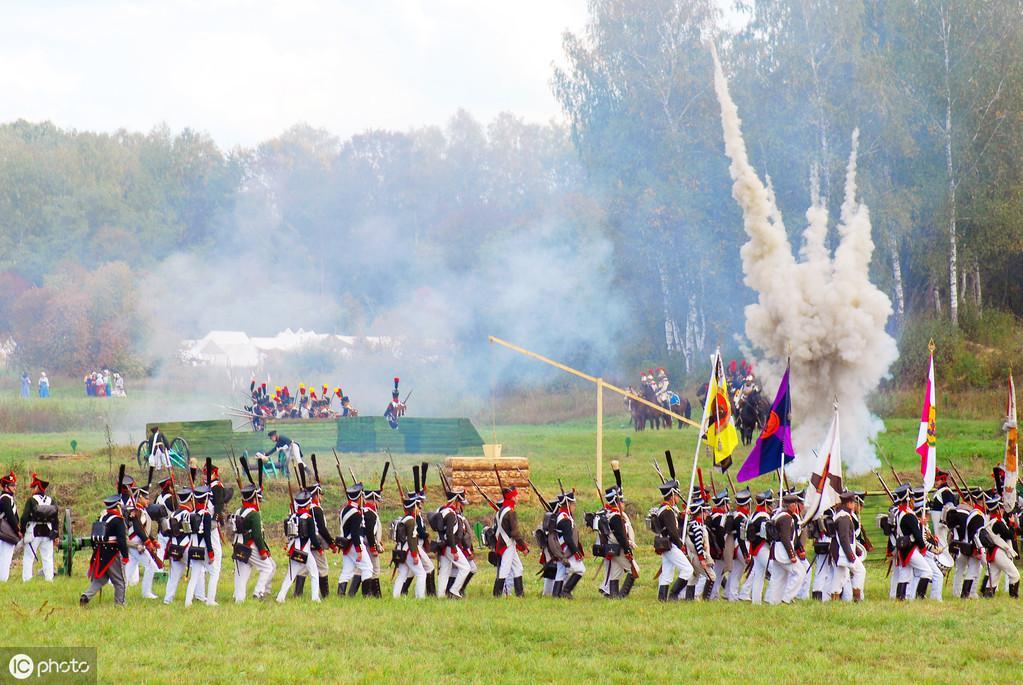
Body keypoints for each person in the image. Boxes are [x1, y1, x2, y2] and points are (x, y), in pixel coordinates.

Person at [80, 494, 130, 606]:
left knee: (100, 579)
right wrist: (125, 555)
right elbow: (121, 540)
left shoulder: (102, 517)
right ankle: (120, 604)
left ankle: (86, 596)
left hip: (100, 552)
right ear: (117, 506)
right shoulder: (118, 520)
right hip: (113, 553)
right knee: (120, 581)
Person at [231, 482, 275, 602]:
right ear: (254, 498)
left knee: (241, 576)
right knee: (268, 567)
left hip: (238, 546)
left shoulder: (238, 511)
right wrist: (262, 551)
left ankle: (239, 600)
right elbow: (257, 535)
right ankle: (258, 592)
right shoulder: (254, 514)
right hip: (249, 546)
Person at [276, 489, 321, 603]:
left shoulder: (292, 517)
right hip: (305, 550)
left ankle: (280, 597)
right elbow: (312, 537)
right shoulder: (308, 518)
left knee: (290, 575)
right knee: (314, 573)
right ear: (308, 504)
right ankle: (315, 598)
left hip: (293, 549)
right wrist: (319, 548)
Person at [652, 479, 692, 601]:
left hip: (667, 544)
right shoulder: (667, 511)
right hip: (671, 544)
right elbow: (673, 531)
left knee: (667, 574)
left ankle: (662, 599)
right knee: (688, 570)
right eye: (676, 495)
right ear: (672, 496)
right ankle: (674, 595)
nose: (678, 497)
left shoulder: (667, 510)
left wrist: (682, 516)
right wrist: (680, 545)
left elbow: (674, 524)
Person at [978, 492, 1020, 597]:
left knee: (993, 579)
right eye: (1001, 508)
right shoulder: (997, 522)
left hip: (994, 552)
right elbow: (1009, 535)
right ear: (997, 509)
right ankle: (1013, 597)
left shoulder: (992, 521)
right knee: (1015, 575)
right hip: (999, 552)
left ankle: (987, 598)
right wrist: (1011, 523)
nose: (1002, 510)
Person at [599, 484, 636, 599]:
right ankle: (622, 595)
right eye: (621, 501)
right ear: (616, 501)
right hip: (618, 548)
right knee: (634, 571)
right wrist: (627, 550)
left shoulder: (610, 514)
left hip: (613, 548)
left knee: (615, 573)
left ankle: (613, 595)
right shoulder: (615, 516)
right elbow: (621, 536)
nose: (623, 504)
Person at [20, 473, 58, 582]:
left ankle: (27, 580)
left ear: (37, 487)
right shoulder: (51, 500)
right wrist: (56, 534)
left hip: (33, 532)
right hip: (48, 533)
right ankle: (49, 579)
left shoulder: (31, 500)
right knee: (47, 558)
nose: (32, 489)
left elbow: (24, 518)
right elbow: (55, 518)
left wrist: (22, 531)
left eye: (33, 487)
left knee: (28, 557)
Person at [765, 493, 803, 605]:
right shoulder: (786, 518)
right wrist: (792, 555)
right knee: (800, 572)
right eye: (794, 504)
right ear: (790, 505)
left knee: (778, 578)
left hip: (778, 550)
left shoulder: (780, 515)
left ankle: (773, 602)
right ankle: (787, 598)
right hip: (783, 551)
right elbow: (786, 538)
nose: (796, 506)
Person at [124, 484, 160, 599]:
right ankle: (146, 592)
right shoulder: (136, 511)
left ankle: (120, 590)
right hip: (135, 543)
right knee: (151, 566)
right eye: (146, 498)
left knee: (129, 569)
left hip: (137, 542)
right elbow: (138, 529)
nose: (148, 500)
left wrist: (153, 540)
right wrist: (148, 542)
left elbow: (144, 530)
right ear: (139, 498)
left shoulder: (140, 511)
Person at [184, 486, 218, 607]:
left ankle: (188, 601)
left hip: (193, 547)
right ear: (206, 499)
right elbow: (207, 536)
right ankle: (210, 600)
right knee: (214, 573)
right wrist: (211, 553)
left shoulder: (191, 514)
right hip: (203, 548)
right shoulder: (206, 515)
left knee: (194, 576)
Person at [436, 487, 471, 599]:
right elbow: (450, 533)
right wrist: (454, 550)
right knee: (466, 568)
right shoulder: (451, 514)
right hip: (450, 545)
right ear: (456, 501)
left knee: (444, 571)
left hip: (444, 545)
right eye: (460, 502)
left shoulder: (443, 510)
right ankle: (454, 590)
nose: (461, 505)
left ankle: (441, 595)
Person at [830, 491, 865, 601]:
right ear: (849, 504)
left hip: (840, 551)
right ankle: (857, 599)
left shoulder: (843, 515)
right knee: (860, 571)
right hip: (843, 551)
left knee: (839, 577)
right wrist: (851, 555)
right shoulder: (844, 518)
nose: (855, 505)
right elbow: (844, 539)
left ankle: (834, 601)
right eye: (853, 503)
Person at [494, 485, 529, 597]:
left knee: (518, 568)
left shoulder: (500, 511)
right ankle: (497, 594)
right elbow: (515, 533)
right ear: (512, 498)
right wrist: (523, 547)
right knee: (505, 569)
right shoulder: (511, 512)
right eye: (516, 496)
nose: (518, 498)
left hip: (505, 543)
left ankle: (520, 594)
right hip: (507, 544)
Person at [392, 492, 427, 598]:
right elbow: (412, 539)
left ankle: (396, 596)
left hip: (402, 550)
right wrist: (415, 555)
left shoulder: (404, 519)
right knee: (421, 574)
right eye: (416, 506)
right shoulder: (411, 521)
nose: (418, 508)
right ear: (413, 507)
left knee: (402, 574)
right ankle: (420, 597)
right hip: (408, 551)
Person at [743, 490, 775, 604]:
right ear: (766, 504)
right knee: (774, 570)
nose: (771, 507)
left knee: (759, 575)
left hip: (755, 547)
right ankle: (772, 599)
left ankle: (756, 602)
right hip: (762, 547)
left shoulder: (754, 514)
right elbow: (767, 534)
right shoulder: (763, 516)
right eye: (770, 504)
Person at [163, 488, 193, 605]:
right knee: (198, 571)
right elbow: (188, 531)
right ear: (189, 500)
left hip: (174, 546)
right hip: (185, 546)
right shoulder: (187, 514)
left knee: (173, 576)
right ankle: (199, 596)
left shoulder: (175, 513)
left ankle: (167, 599)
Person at [552, 491, 584, 598]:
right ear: (568, 505)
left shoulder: (563, 515)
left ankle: (556, 594)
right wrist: (576, 552)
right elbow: (568, 538)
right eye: (573, 504)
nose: (574, 507)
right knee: (580, 570)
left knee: (561, 571)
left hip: (562, 548)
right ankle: (565, 591)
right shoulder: (565, 518)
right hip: (566, 549)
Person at [723, 489, 750, 601]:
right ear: (747, 504)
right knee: (753, 568)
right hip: (740, 546)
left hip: (735, 546)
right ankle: (744, 593)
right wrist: (746, 554)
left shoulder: (736, 515)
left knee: (736, 572)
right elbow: (741, 537)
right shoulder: (741, 518)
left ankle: (731, 595)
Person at [360, 486, 384, 597]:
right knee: (375, 569)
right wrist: (374, 547)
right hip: (369, 544)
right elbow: (369, 532)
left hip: (366, 544)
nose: (378, 503)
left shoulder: (364, 511)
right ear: (373, 500)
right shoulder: (370, 513)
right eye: (377, 500)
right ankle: (376, 594)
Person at [0, 472, 21, 582]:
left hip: (3, 531)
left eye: (15, 485)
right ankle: (3, 580)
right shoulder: (6, 498)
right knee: (5, 558)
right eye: (12, 485)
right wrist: (18, 530)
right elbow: (10, 516)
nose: (15, 487)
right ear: (6, 487)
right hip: (6, 532)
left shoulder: (6, 498)